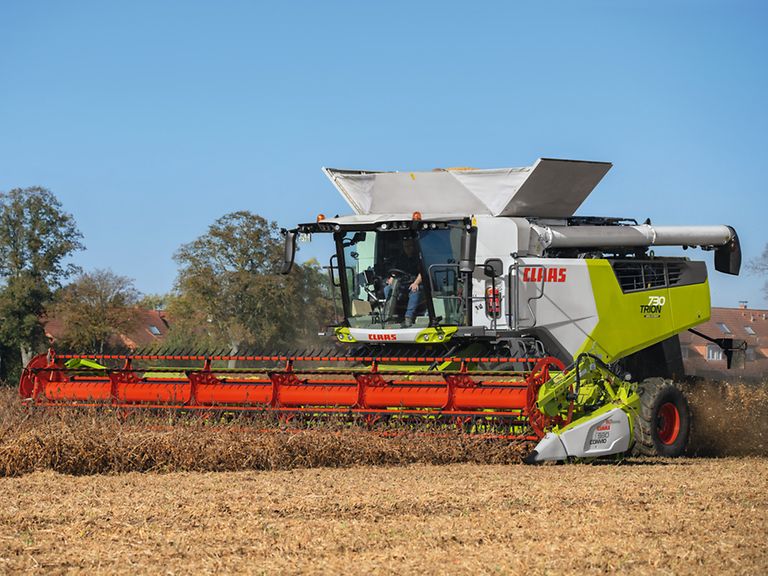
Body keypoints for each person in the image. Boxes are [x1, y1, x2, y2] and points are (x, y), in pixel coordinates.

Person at [382, 236, 424, 327]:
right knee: (387, 289)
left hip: (414, 283)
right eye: (406, 247)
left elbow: (422, 273)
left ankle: (408, 317)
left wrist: (416, 283)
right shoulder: (400, 258)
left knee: (415, 290)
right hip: (401, 285)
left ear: (414, 246)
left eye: (410, 246)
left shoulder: (419, 258)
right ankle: (389, 315)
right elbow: (395, 271)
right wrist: (392, 278)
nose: (408, 248)